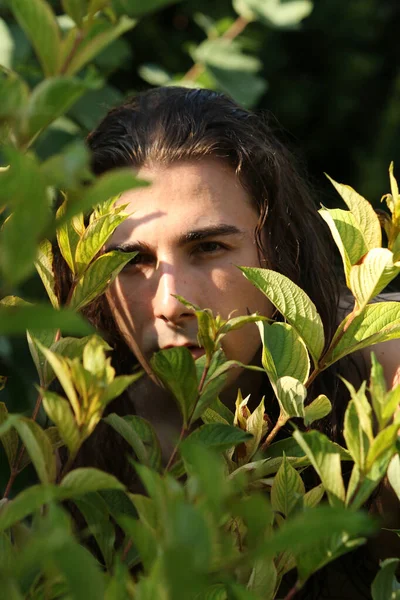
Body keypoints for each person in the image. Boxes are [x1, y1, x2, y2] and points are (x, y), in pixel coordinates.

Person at [57, 86, 399, 598]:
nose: (170, 302)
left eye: (209, 247)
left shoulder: (378, 375)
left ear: (276, 248)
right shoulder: (81, 414)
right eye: (131, 262)